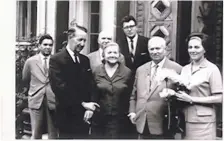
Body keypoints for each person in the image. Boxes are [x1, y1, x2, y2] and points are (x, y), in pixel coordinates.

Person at [49, 24, 99, 139]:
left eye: (85, 41)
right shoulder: (56, 60)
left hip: (85, 116)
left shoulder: (84, 60)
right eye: (80, 40)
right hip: (67, 115)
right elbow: (60, 88)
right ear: (70, 38)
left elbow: (91, 85)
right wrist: (83, 104)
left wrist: (91, 106)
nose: (82, 44)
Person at [128, 36, 182, 139]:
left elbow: (181, 96)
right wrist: (132, 112)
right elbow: (134, 94)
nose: (155, 52)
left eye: (158, 48)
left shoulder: (177, 69)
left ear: (165, 50)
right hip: (142, 121)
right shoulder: (141, 70)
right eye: (152, 49)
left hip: (164, 123)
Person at [175, 32, 223, 140]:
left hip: (203, 121)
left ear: (204, 49)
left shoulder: (212, 69)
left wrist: (192, 99)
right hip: (185, 119)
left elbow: (220, 98)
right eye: (190, 47)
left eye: (197, 47)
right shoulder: (185, 69)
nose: (193, 50)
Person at [91, 42, 132, 139]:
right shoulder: (96, 71)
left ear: (119, 55)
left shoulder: (127, 72)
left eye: (115, 52)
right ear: (103, 55)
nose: (112, 55)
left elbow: (131, 95)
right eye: (109, 53)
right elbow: (92, 92)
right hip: (100, 119)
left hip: (121, 120)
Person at [22, 34, 57, 139]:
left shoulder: (56, 61)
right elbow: (25, 79)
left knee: (53, 132)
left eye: (50, 45)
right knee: (36, 132)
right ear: (39, 45)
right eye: (45, 44)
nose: (48, 47)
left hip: (53, 99)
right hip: (36, 98)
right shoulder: (31, 61)